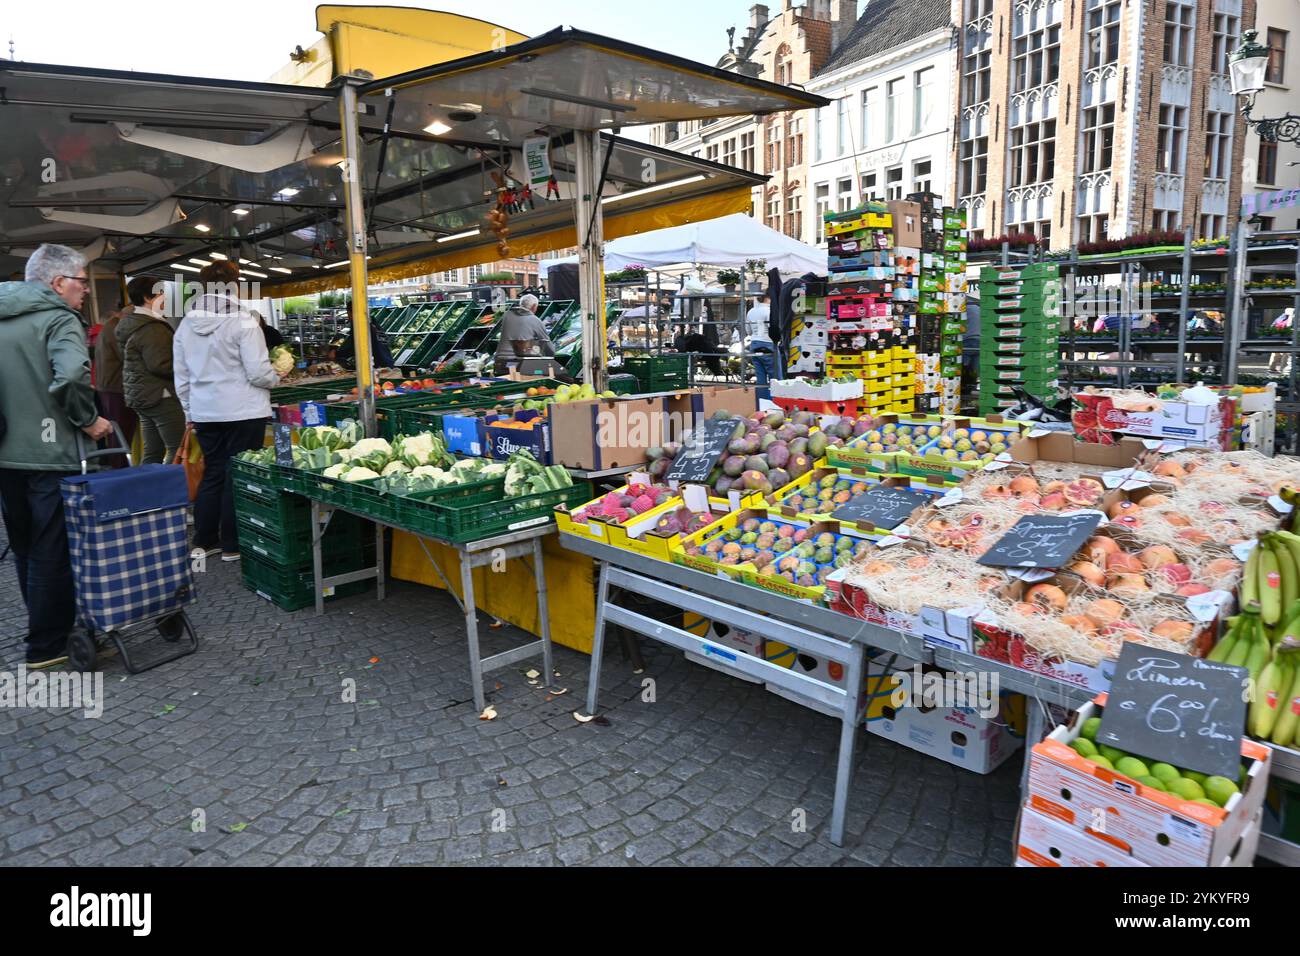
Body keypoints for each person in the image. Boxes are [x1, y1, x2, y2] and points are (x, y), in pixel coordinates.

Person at [0, 243, 113, 668]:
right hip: (51, 454)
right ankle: (48, 647)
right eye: (82, 282)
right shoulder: (59, 319)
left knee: (26, 547)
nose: (85, 291)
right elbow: (69, 377)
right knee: (53, 551)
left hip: (6, 454)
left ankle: (42, 631)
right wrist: (88, 421)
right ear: (58, 282)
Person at [174, 261, 281, 562]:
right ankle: (234, 544)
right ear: (235, 285)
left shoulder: (186, 323)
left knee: (214, 472)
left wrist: (189, 410)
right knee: (239, 473)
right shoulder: (244, 321)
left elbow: (181, 375)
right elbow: (258, 372)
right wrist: (276, 377)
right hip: (244, 410)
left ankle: (205, 540)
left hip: (206, 412)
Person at [118, 275, 186, 465]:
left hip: (141, 394)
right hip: (159, 395)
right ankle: (172, 491)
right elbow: (161, 364)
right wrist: (187, 366)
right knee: (177, 448)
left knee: (153, 450)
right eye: (161, 293)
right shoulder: (152, 328)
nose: (165, 297)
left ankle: (149, 490)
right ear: (148, 298)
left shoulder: (130, 323)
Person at [93, 302, 137, 468]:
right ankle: (120, 470)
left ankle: (119, 467)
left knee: (118, 431)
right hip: (115, 387)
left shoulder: (109, 327)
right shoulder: (115, 328)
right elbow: (125, 356)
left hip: (108, 386)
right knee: (120, 432)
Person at [493, 293, 557, 376]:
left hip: (500, 363)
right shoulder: (535, 320)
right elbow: (548, 347)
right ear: (534, 306)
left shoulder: (507, 315)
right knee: (546, 373)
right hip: (519, 365)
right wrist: (552, 356)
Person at [745, 293, 774, 387]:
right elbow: (772, 329)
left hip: (754, 343)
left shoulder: (751, 311)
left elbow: (748, 331)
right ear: (768, 297)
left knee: (760, 374)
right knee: (774, 375)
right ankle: (774, 399)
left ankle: (761, 398)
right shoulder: (770, 310)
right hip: (767, 343)